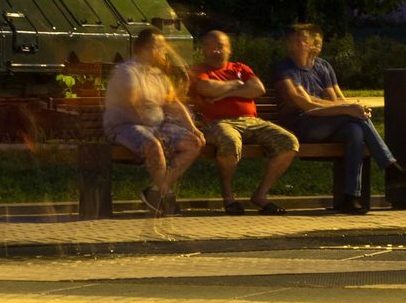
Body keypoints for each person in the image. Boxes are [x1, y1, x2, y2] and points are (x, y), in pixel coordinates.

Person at [269, 22, 406, 212]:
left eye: (302, 40)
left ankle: (351, 198)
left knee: (355, 130)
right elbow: (305, 103)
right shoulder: (284, 68)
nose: (295, 43)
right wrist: (349, 109)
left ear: (314, 45)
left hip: (327, 123)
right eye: (293, 39)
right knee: (355, 119)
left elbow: (338, 99)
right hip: (301, 126)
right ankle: (391, 169)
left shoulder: (323, 67)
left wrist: (355, 109)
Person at [188, 30, 299, 216]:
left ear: (229, 49)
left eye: (220, 46)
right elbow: (206, 88)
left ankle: (261, 195)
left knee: (289, 142)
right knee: (230, 142)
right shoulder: (198, 71)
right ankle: (229, 198)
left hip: (252, 122)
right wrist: (238, 85)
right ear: (203, 50)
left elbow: (258, 88)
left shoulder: (240, 68)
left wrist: (226, 92)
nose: (216, 51)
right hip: (218, 123)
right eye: (211, 47)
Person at [103, 28, 205, 215]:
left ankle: (157, 191)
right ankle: (165, 199)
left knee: (194, 144)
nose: (165, 52)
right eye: (161, 47)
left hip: (154, 126)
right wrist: (157, 134)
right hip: (124, 126)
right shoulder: (127, 72)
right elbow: (133, 103)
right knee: (153, 145)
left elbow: (173, 103)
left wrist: (193, 128)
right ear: (150, 48)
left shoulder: (157, 75)